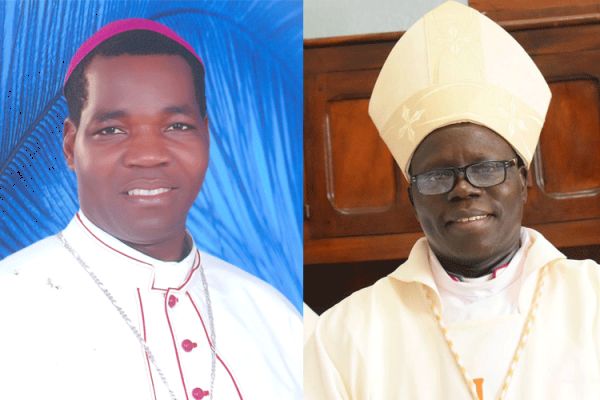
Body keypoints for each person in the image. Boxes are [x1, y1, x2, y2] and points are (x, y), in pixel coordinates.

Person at [304, 2, 600, 399]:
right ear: (413, 197)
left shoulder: (591, 300)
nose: (463, 189)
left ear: (523, 180)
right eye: (437, 176)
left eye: (487, 168)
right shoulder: (346, 334)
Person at [0, 19, 301, 400]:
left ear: (206, 136)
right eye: (111, 130)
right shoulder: (9, 307)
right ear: (70, 145)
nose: (148, 156)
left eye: (177, 126)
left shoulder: (275, 317)